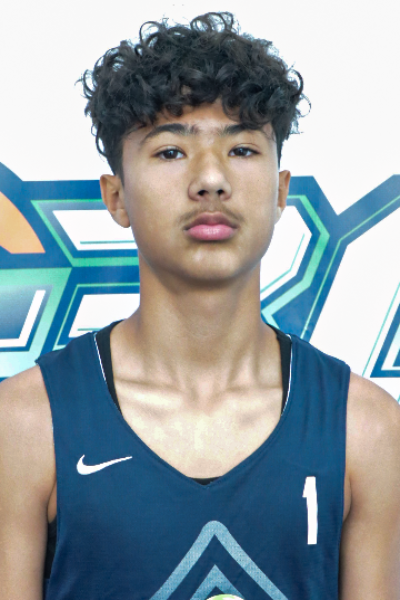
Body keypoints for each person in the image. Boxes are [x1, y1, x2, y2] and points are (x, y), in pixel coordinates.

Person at [1, 11, 400, 600]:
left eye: (241, 148)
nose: (211, 179)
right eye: (170, 152)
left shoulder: (364, 427)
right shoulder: (25, 424)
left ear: (282, 191)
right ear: (116, 197)